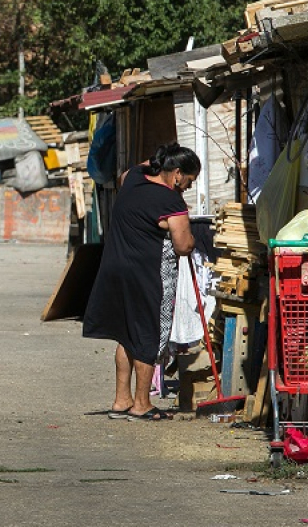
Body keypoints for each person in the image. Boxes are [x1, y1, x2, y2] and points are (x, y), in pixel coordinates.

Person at [82, 142, 200, 421]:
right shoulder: (171, 201)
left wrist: (159, 160)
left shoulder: (133, 180)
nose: (188, 188)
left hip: (115, 268)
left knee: (126, 334)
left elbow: (134, 169)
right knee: (148, 336)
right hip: (149, 275)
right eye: (189, 181)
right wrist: (194, 239)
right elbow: (183, 246)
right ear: (178, 173)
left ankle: (121, 400)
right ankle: (141, 404)